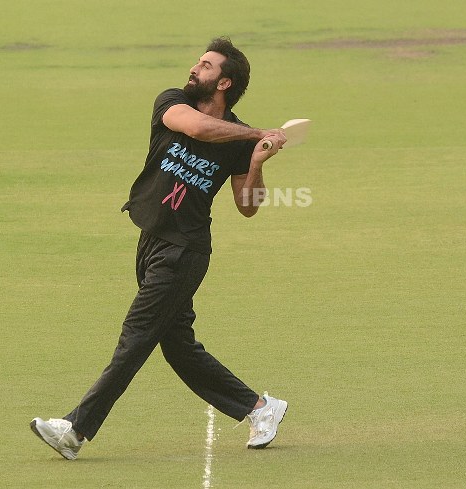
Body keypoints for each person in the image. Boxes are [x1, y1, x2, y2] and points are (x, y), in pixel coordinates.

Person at [30, 37, 289, 460]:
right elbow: (199, 128)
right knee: (178, 347)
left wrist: (257, 161)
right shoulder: (172, 103)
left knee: (136, 337)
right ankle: (261, 409)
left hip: (184, 251)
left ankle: (75, 430)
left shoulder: (242, 143)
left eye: (205, 65)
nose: (194, 68)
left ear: (224, 82)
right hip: (150, 241)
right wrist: (259, 132)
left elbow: (248, 207)